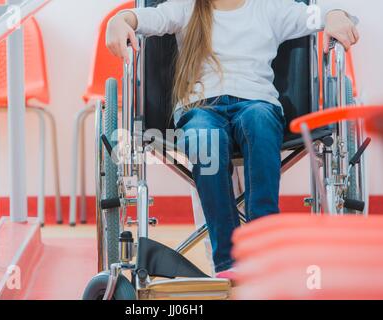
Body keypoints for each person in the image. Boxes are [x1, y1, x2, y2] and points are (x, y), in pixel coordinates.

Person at [105, 0, 359, 278]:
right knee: (205, 138)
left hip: (257, 103)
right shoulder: (186, 7)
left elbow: (316, 15)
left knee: (259, 121)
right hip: (200, 106)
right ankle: (228, 263)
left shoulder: (269, 8)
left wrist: (335, 15)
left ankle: (262, 252)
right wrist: (119, 20)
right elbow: (148, 17)